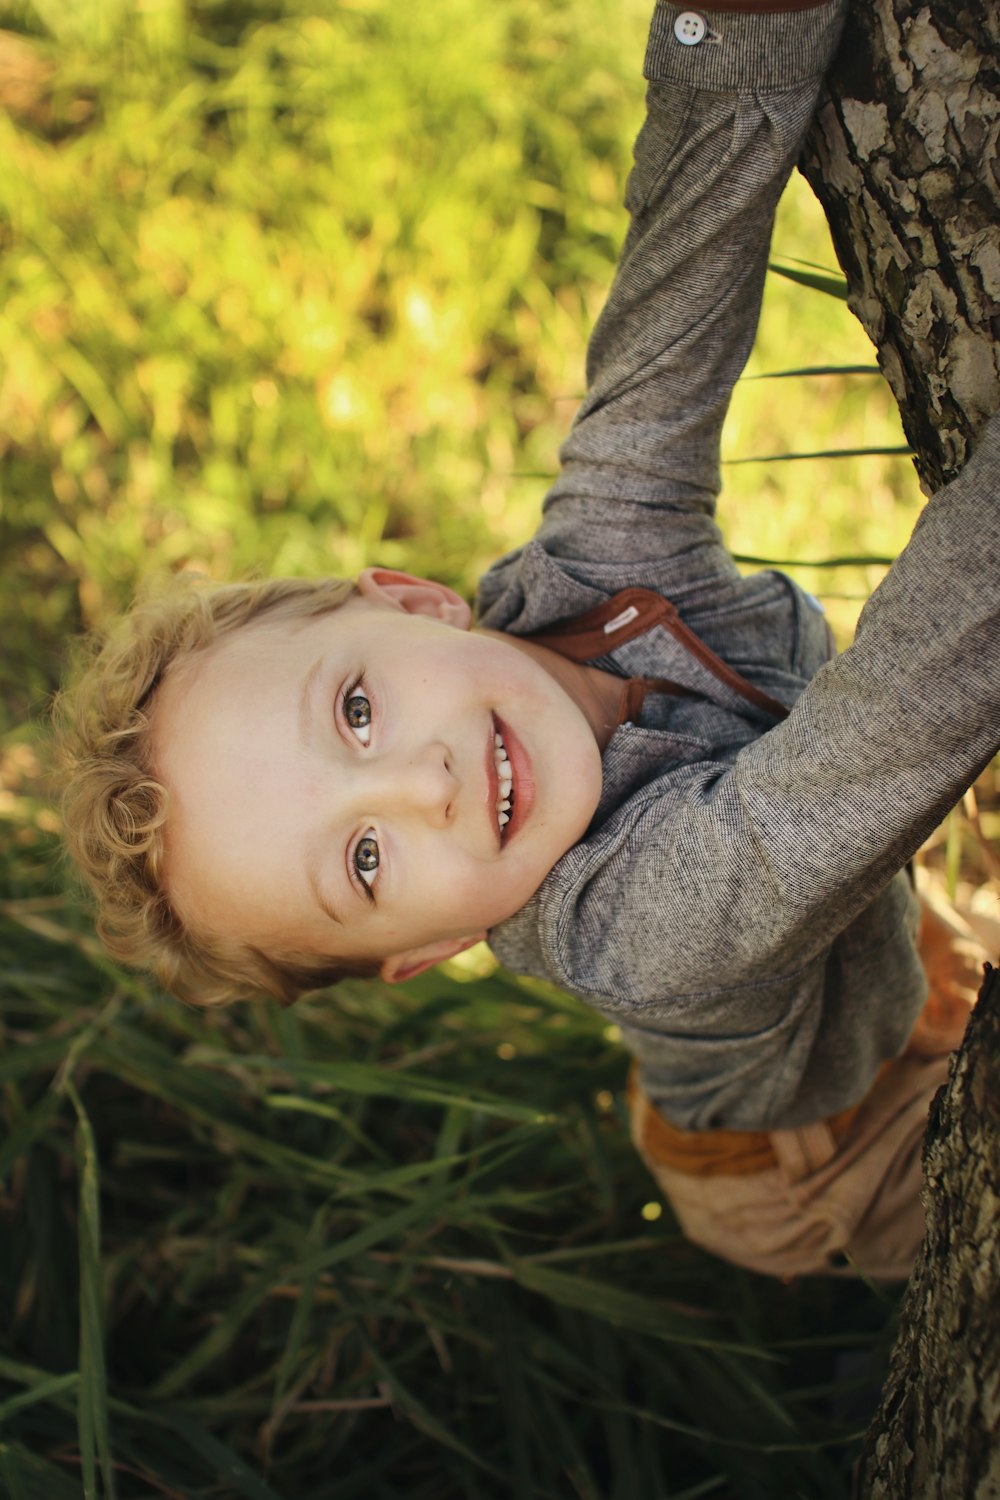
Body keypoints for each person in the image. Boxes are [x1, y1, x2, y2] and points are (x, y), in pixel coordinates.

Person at [54, 0, 999, 1279]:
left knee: (910, 964)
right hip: (816, 1161)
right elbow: (899, 718)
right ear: (430, 954)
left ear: (415, 600)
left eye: (354, 715)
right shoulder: (638, 928)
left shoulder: (581, 585)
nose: (420, 784)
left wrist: (740, 37)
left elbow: (664, 334)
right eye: (368, 859)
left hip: (861, 957)